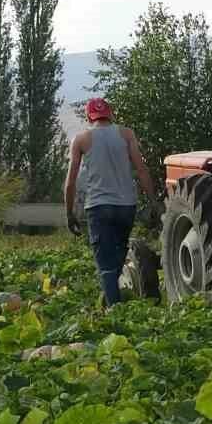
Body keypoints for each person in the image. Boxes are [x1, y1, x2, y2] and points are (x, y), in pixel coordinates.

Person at [63, 97, 155, 308]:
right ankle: (111, 300)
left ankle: (115, 312)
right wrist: (152, 201)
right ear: (110, 114)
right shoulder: (126, 134)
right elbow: (141, 170)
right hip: (126, 206)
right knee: (117, 258)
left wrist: (69, 213)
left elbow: (70, 182)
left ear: (89, 116)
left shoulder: (81, 139)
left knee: (105, 265)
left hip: (98, 206)